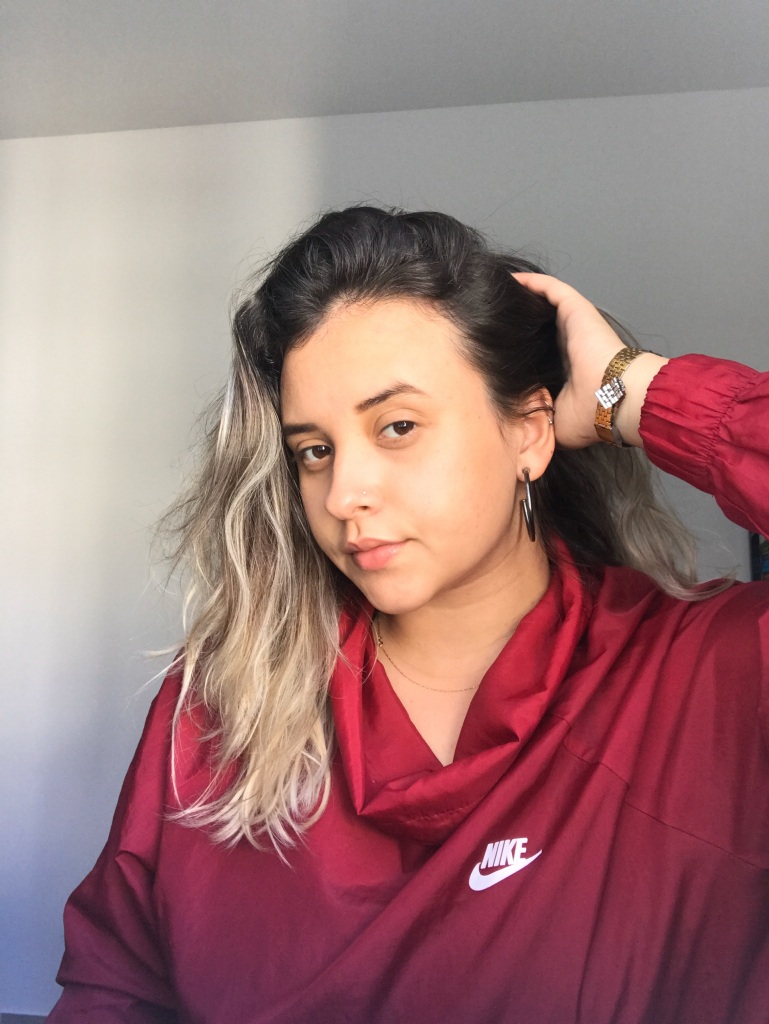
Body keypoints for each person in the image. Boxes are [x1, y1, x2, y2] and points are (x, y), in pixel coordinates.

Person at [48, 207, 769, 1023]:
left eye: (396, 427)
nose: (342, 493)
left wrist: (632, 391)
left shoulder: (709, 676)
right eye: (313, 450)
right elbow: (114, 989)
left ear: (529, 432)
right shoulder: (225, 703)